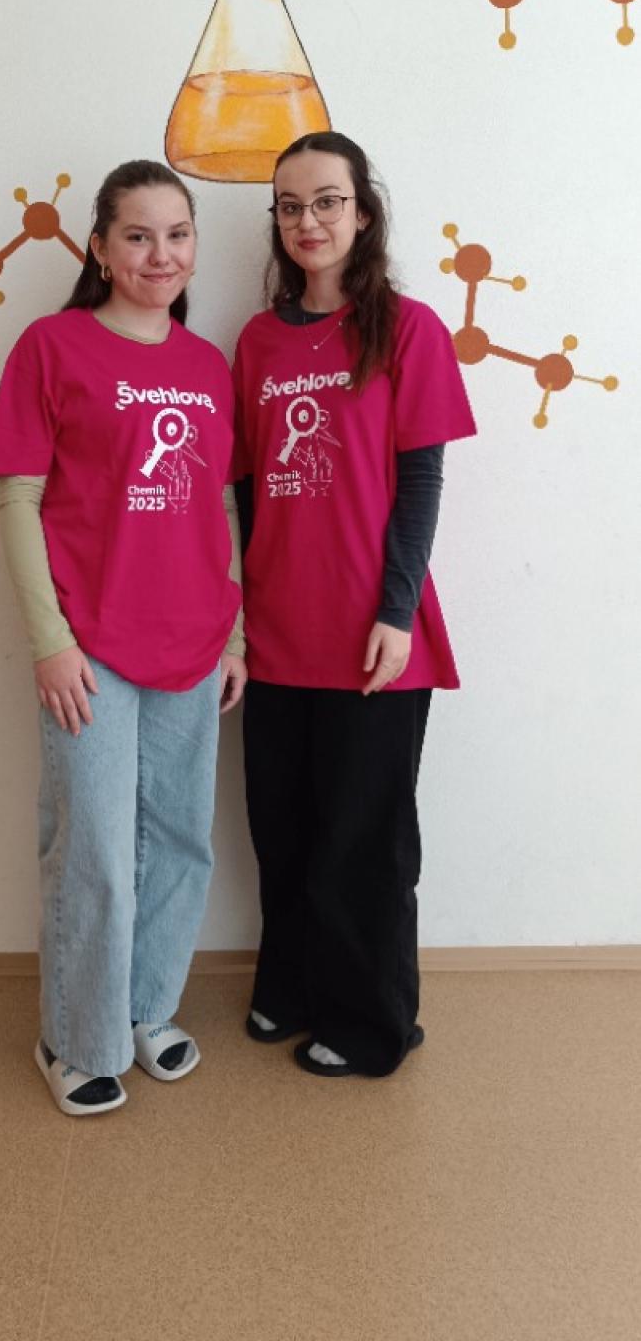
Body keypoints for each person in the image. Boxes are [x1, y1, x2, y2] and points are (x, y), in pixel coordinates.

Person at [0, 159, 246, 1116]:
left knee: (179, 840)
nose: (160, 254)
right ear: (99, 248)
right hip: (88, 645)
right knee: (91, 848)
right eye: (138, 235)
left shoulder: (207, 366)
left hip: (194, 640)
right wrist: (48, 640)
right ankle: (75, 1039)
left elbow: (220, 506)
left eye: (178, 234)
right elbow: (17, 498)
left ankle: (144, 1009)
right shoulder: (50, 347)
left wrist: (236, 632)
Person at [231, 131, 476, 1079]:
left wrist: (397, 609)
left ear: (362, 212)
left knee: (363, 839)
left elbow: (421, 483)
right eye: (291, 205)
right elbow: (246, 492)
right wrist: (236, 619)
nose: (309, 221)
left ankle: (373, 1023)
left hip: (375, 633)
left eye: (327, 201)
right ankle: (294, 987)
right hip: (276, 629)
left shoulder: (407, 328)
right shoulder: (256, 342)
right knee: (282, 827)